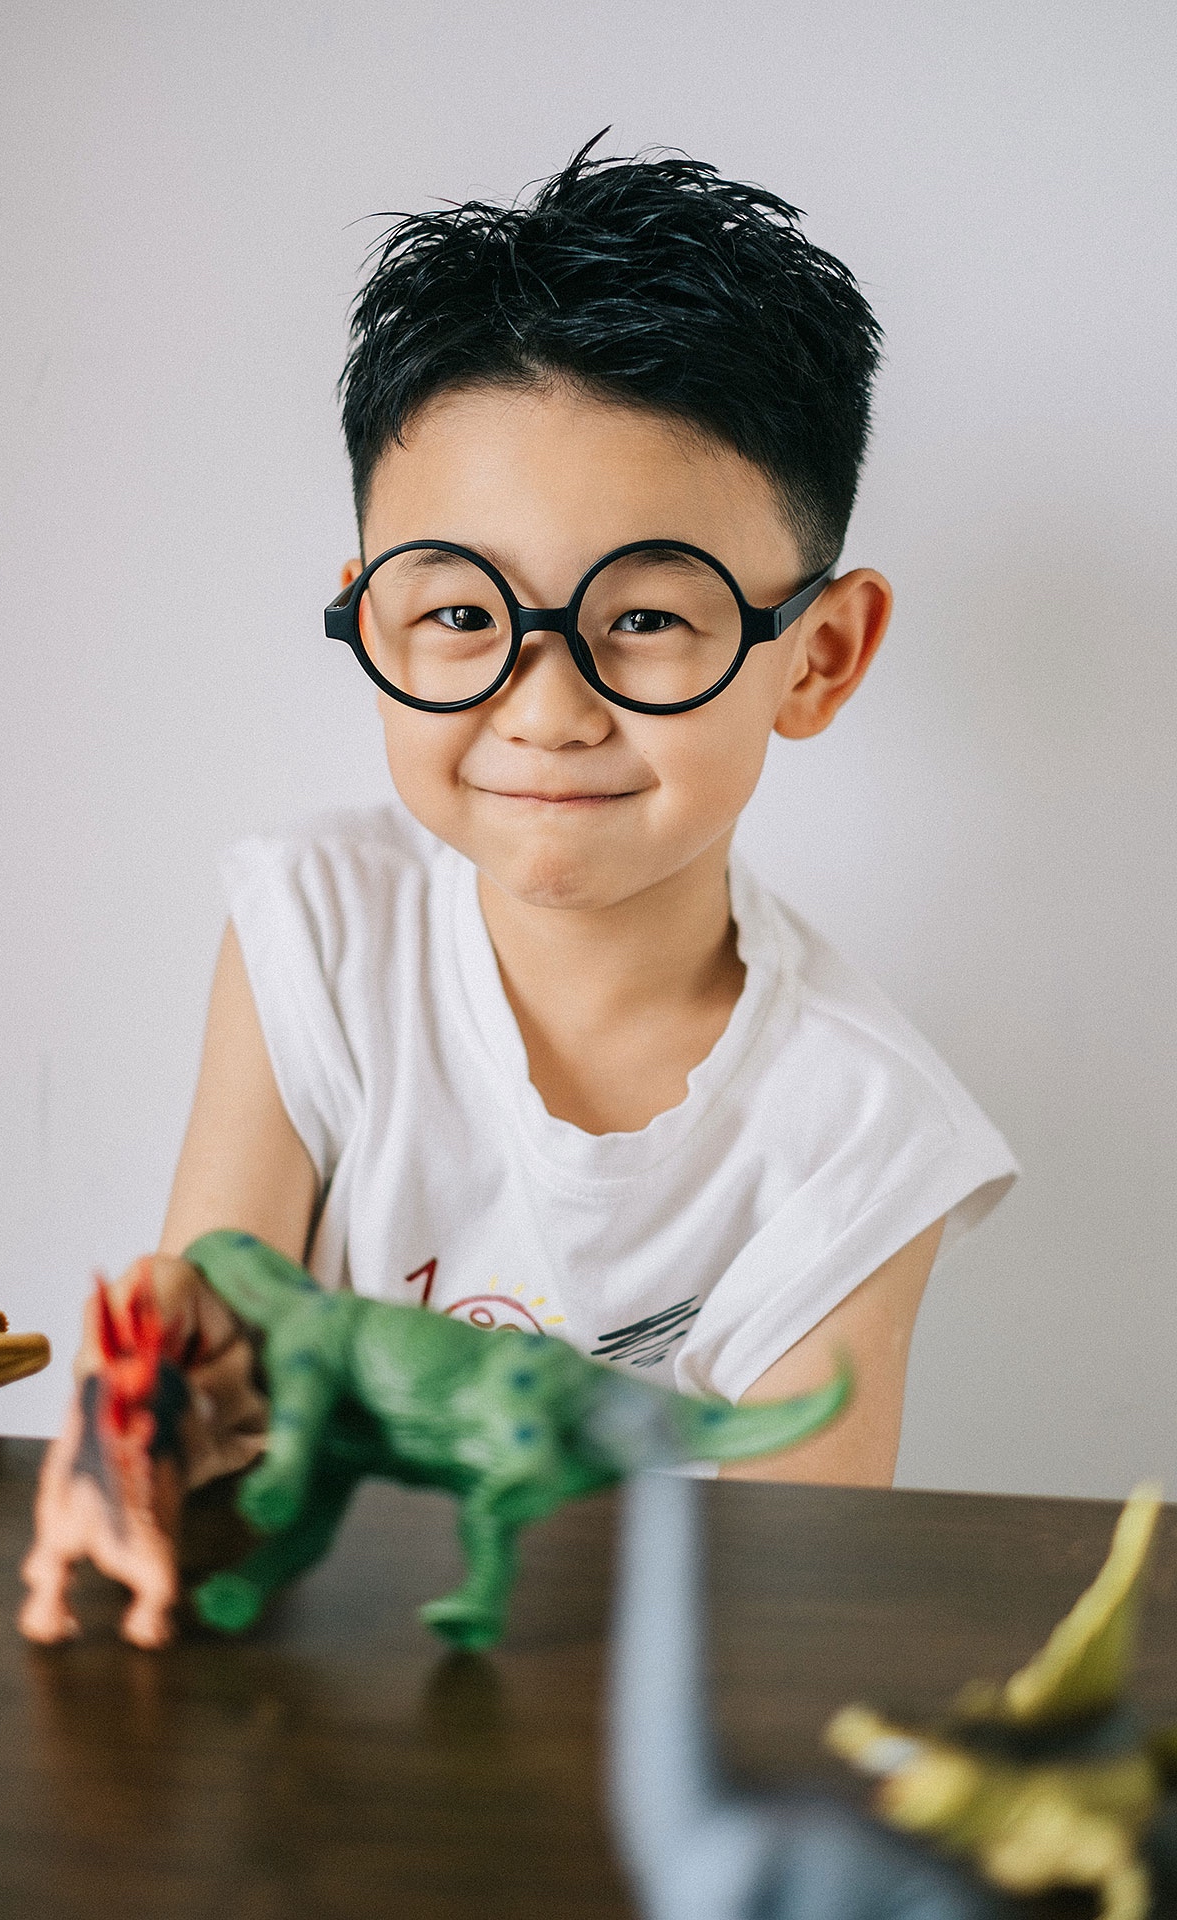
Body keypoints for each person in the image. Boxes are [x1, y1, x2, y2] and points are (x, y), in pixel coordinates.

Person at [88, 139, 1017, 1495]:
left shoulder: (865, 1137)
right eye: (462, 612)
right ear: (374, 618)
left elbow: (800, 1588)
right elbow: (208, 1420)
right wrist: (166, 1393)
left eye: (644, 618)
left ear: (817, 657)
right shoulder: (317, 930)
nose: (546, 709)